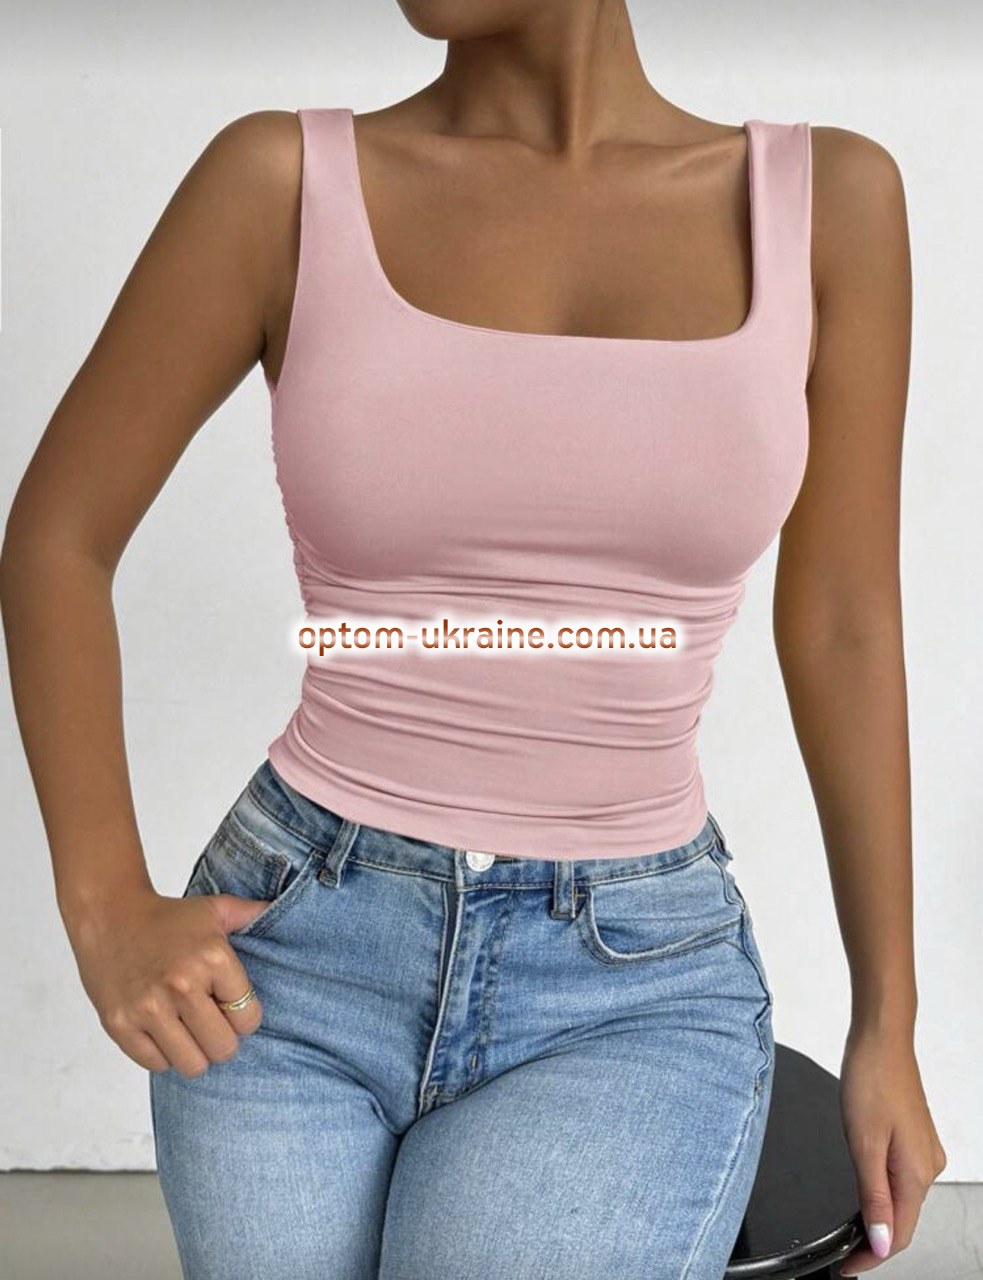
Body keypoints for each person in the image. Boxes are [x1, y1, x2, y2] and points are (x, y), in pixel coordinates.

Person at [0, 2, 946, 1278]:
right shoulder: (278, 183)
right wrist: (104, 903)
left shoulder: (827, 201)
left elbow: (842, 621)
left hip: (625, 992)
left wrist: (888, 1018)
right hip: (291, 959)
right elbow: (57, 538)